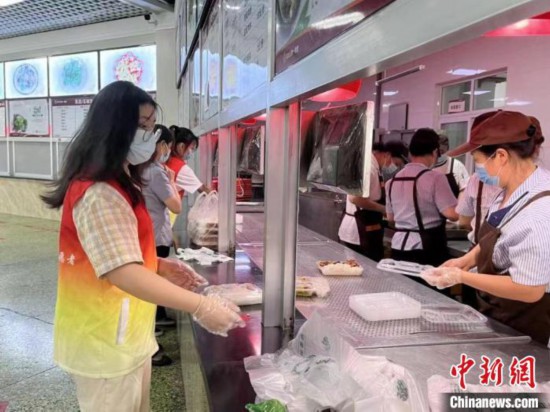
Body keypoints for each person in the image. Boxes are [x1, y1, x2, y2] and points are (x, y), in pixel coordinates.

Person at [41, 81, 244, 412]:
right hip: (103, 342)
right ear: (113, 129)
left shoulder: (122, 181)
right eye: (142, 125)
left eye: (151, 125)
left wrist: (159, 265)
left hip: (125, 335)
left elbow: (117, 252)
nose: (150, 135)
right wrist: (200, 306)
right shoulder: (99, 192)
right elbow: (123, 273)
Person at [422, 110, 550, 346]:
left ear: (501, 156)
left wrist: (461, 276)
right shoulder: (510, 190)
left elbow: (530, 289)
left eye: (479, 161)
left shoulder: (540, 212)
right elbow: (496, 236)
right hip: (501, 312)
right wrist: (465, 261)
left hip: (527, 321)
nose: (478, 169)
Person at [386, 128, 458, 267]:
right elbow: (452, 214)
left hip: (398, 246)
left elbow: (390, 217)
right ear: (435, 152)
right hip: (426, 247)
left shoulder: (392, 181)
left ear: (410, 153)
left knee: (401, 281)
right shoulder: (435, 178)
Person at [141, 124, 181, 366]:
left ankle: (153, 327)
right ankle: (150, 338)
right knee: (152, 284)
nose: (168, 151)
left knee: (150, 283)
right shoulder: (156, 172)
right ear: (162, 145)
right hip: (155, 237)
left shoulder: (144, 169)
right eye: (167, 145)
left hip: (152, 234)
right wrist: (173, 181)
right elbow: (176, 206)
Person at [456, 111, 502, 246]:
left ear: (501, 155)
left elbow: (464, 221)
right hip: (480, 252)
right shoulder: (476, 180)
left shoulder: (476, 180)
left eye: (476, 159)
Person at [338, 152, 385, 261]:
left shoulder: (366, 165)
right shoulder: (368, 168)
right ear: (384, 154)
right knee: (365, 267)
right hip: (360, 230)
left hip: (358, 229)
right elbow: (355, 198)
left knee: (354, 265)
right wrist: (383, 209)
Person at [166, 126, 211, 197]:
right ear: (182, 146)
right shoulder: (181, 168)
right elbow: (203, 190)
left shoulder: (167, 160)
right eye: (191, 148)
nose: (191, 152)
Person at [432, 132, 470, 197]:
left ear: (447, 149)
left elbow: (464, 190)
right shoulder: (426, 166)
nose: (439, 154)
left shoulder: (457, 165)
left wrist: (459, 203)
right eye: (437, 151)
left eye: (442, 151)